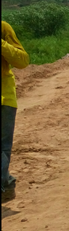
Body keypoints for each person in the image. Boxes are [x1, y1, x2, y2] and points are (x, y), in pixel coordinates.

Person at [1, 20, 30, 202]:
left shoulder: (3, 28)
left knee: (3, 146)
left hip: (4, 96)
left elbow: (22, 61)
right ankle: (6, 183)